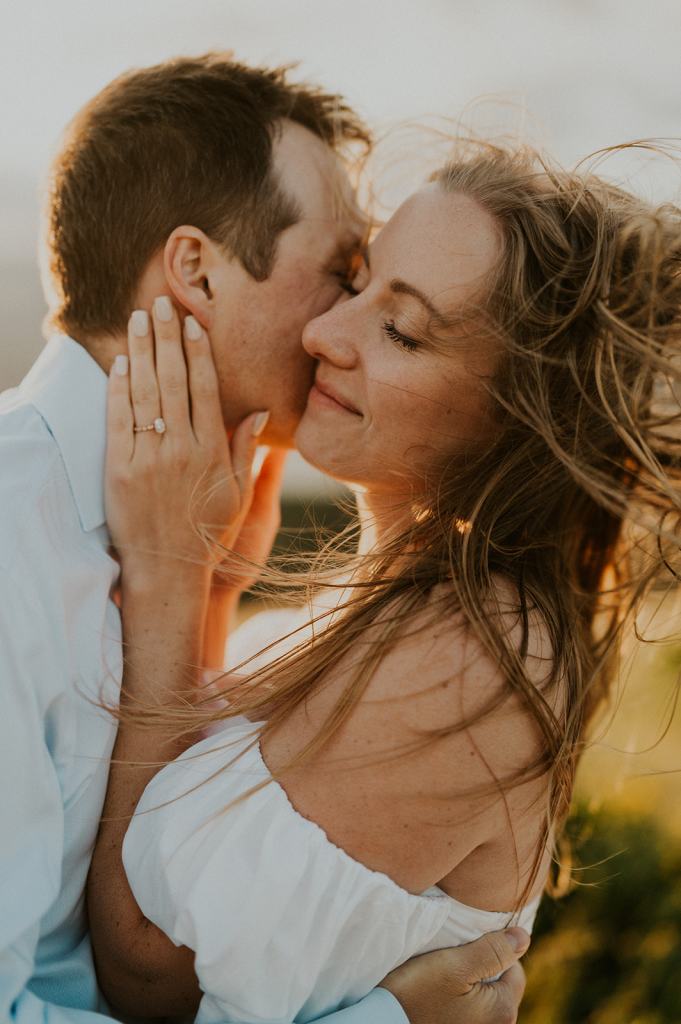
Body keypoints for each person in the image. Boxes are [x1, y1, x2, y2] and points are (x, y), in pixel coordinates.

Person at [86, 141, 681, 1022]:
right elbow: (192, 816)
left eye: (400, 329)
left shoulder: (470, 660)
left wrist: (167, 576)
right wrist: (217, 587)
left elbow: (148, 971)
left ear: (517, 415)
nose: (323, 335)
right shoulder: (379, 604)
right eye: (357, 283)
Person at [0, 54, 527, 1024]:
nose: (340, 328)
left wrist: (204, 588)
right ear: (196, 270)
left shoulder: (167, 525)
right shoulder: (11, 547)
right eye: (339, 273)